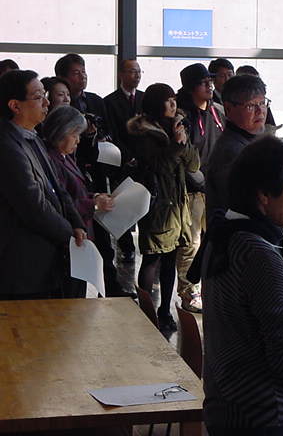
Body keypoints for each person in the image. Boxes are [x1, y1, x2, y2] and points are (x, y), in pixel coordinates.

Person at [200, 136, 283, 435]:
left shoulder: (223, 235)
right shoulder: (258, 254)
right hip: (259, 411)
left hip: (224, 401)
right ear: (263, 195)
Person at [0, 70, 86, 300]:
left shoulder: (33, 136)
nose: (47, 103)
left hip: (46, 259)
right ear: (15, 106)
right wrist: (69, 234)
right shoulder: (6, 145)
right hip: (23, 265)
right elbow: (33, 205)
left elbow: (57, 189)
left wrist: (77, 224)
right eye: (38, 97)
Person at [127, 83, 200, 331]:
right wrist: (176, 146)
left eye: (174, 100)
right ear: (156, 104)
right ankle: (145, 312)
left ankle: (165, 310)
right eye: (167, 101)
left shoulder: (176, 127)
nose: (173, 105)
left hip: (177, 204)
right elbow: (158, 167)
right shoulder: (143, 132)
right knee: (152, 257)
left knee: (170, 259)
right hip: (157, 204)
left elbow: (193, 165)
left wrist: (183, 142)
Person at [40, 105, 115, 297]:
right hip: (67, 240)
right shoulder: (51, 160)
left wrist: (94, 196)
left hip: (80, 236)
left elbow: (75, 192)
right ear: (61, 133)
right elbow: (60, 202)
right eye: (75, 135)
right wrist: (94, 204)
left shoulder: (65, 157)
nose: (78, 140)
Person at [174, 63, 225, 313]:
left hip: (216, 187)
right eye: (204, 82)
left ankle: (210, 289)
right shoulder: (183, 117)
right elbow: (182, 157)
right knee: (191, 243)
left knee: (213, 240)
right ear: (191, 87)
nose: (210, 86)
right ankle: (188, 292)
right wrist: (198, 180)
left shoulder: (218, 112)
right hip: (191, 189)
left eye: (210, 81)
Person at [205, 74, 267, 224]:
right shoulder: (231, 151)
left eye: (262, 103)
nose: (260, 111)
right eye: (251, 105)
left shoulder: (254, 141)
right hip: (241, 233)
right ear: (228, 108)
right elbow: (246, 206)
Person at [104, 58, 145, 263]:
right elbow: (112, 132)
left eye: (139, 71)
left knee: (143, 201)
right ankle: (126, 246)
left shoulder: (145, 98)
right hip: (122, 161)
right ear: (121, 74)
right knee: (123, 203)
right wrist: (127, 156)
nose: (136, 75)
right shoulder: (110, 101)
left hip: (144, 159)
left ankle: (145, 244)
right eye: (132, 71)